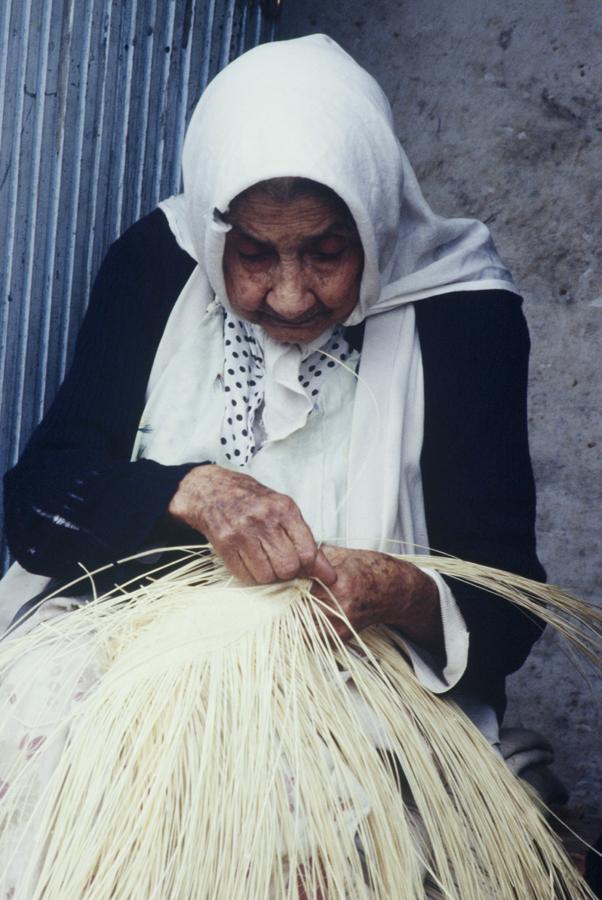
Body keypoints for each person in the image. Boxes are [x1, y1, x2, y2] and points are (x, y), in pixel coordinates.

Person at [0, 33, 547, 895]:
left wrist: (394, 589)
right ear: (218, 229)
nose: (290, 296)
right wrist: (185, 490)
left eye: (328, 251)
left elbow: (510, 610)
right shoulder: (159, 264)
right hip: (131, 644)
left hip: (350, 677)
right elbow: (37, 501)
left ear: (374, 215)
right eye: (255, 254)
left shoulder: (463, 320)